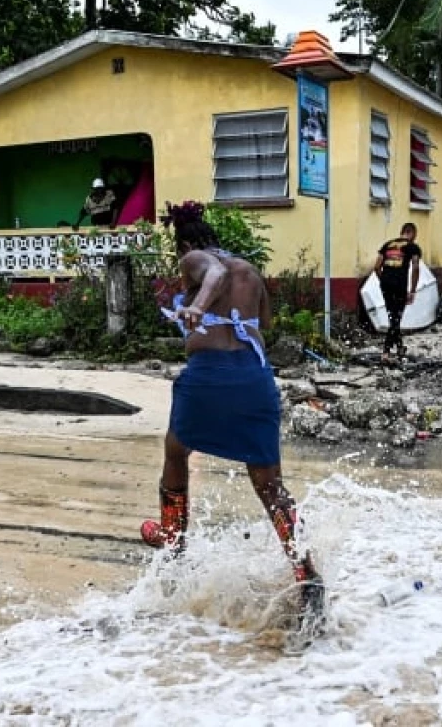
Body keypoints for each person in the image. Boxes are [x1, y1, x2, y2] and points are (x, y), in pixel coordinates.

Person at [140, 202, 324, 627]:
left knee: (175, 451)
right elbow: (263, 321)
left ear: (187, 244)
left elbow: (215, 276)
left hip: (209, 376)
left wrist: (199, 305)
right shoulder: (253, 273)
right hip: (255, 379)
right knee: (271, 486)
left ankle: (173, 541)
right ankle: (306, 573)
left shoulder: (196, 259)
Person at [373, 222, 421, 363]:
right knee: (396, 318)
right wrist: (412, 291)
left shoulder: (387, 245)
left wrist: (384, 280)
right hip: (400, 286)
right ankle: (386, 352)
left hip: (386, 285)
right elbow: (416, 267)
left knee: (392, 316)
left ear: (402, 231)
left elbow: (376, 267)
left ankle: (400, 348)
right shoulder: (413, 247)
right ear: (413, 234)